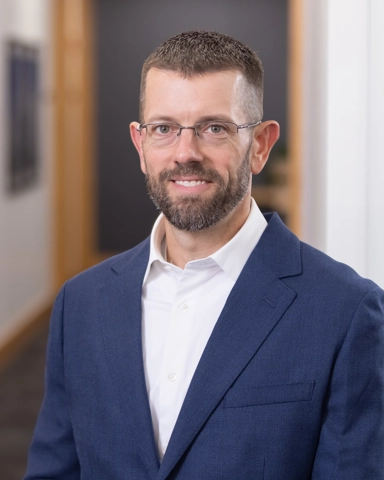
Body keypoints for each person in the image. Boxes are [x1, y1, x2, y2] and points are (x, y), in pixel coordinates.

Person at [25, 31, 384, 480]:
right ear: (140, 144)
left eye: (215, 128)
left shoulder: (345, 311)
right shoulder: (80, 303)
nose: (185, 153)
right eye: (164, 128)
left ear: (260, 145)